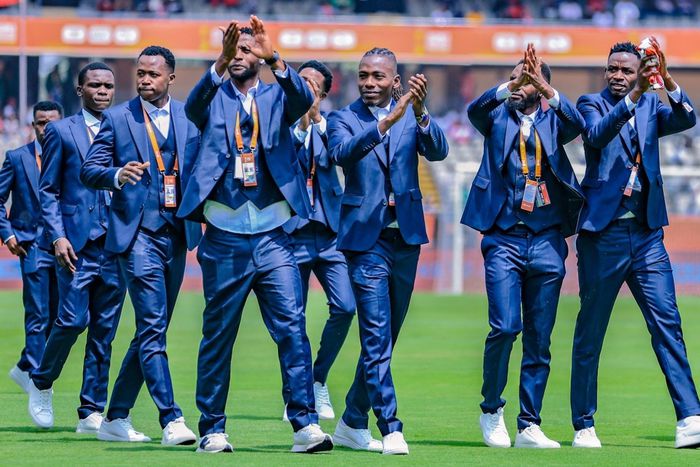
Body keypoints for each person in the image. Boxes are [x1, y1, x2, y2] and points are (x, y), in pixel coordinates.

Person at [179, 17, 333, 454]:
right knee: (218, 334)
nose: (239, 57)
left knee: (292, 328)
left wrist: (275, 57)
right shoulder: (212, 97)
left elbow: (303, 98)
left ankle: (304, 425)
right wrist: (219, 61)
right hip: (224, 235)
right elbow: (192, 108)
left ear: (259, 58)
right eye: (234, 51)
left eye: (246, 51)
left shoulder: (277, 97)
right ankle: (212, 428)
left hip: (272, 236)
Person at [571, 39, 700, 449]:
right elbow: (596, 136)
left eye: (627, 70)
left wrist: (667, 79)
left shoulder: (651, 107)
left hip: (647, 235)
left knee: (667, 324)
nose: (618, 76)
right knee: (591, 333)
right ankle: (584, 424)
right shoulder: (590, 103)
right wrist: (637, 93)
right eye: (613, 69)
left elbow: (687, 118)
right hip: (603, 236)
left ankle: (690, 417)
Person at [327, 47, 449, 455]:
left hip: (406, 237)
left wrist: (420, 112)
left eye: (378, 76)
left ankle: (351, 421)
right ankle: (391, 426)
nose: (369, 83)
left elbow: (439, 151)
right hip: (366, 240)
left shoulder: (412, 115)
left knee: (386, 338)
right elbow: (341, 154)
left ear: (395, 81)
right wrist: (385, 123)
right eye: (363, 75)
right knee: (376, 335)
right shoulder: (343, 118)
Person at [462, 44, 585, 449]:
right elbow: (475, 110)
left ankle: (529, 423)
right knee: (505, 327)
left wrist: (546, 89)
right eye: (513, 77)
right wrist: (509, 85)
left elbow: (579, 123)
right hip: (504, 237)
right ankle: (491, 409)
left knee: (539, 338)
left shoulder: (554, 122)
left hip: (547, 239)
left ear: (541, 86)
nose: (517, 84)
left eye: (525, 79)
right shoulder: (496, 117)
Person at [80, 46, 201, 446]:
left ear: (171, 78)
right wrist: (117, 174)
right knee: (152, 326)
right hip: (136, 237)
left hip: (177, 234)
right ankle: (171, 418)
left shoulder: (189, 116)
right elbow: (89, 169)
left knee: (154, 328)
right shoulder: (118, 118)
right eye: (141, 73)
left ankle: (115, 417)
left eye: (153, 74)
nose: (145, 80)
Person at [26, 63, 127, 433]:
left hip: (116, 243)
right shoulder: (60, 131)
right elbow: (48, 190)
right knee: (71, 320)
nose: (102, 91)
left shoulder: (125, 127)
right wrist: (57, 236)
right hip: (74, 244)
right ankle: (41, 382)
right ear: (79, 89)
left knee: (104, 330)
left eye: (108, 86)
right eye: (94, 85)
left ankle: (90, 410)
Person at [281, 60, 355, 422]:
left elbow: (344, 155)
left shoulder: (334, 126)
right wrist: (300, 124)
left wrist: (317, 124)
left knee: (345, 307)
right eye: (301, 81)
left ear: (324, 93)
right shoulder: (279, 124)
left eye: (313, 84)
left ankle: (318, 378)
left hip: (329, 233)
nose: (306, 87)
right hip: (290, 234)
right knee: (291, 318)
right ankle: (295, 394)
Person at [1, 102, 61, 396]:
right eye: (41, 122)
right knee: (38, 314)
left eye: (52, 122)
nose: (46, 128)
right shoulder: (16, 158)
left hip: (64, 247)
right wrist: (8, 234)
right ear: (33, 126)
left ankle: (26, 364)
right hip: (31, 245)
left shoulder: (72, 156)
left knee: (62, 317)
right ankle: (39, 382)